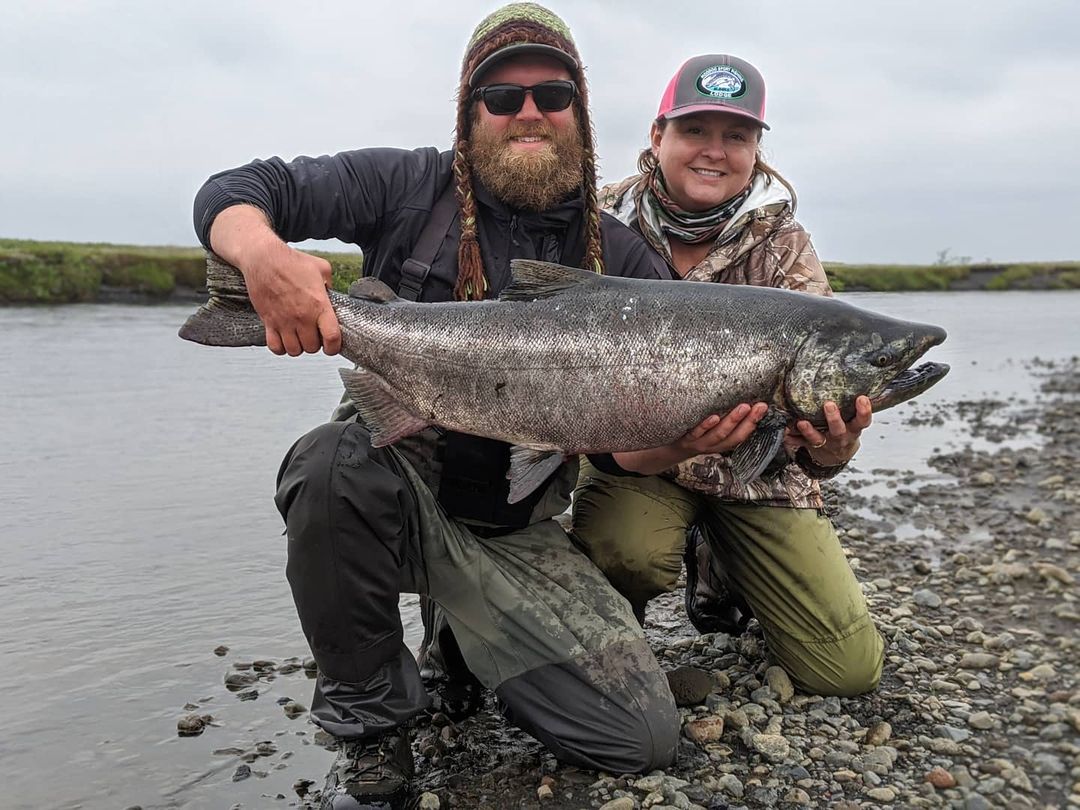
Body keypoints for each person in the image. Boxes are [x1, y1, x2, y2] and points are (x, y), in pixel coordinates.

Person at [192, 5, 679, 808]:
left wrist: (687, 434)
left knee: (639, 739)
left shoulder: (622, 258)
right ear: (469, 112)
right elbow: (240, 190)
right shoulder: (404, 186)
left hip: (517, 529)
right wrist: (261, 258)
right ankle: (374, 733)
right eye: (502, 96)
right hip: (396, 484)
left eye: (553, 94)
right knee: (327, 465)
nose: (529, 112)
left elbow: (631, 458)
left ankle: (459, 638)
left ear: (580, 116)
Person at [573, 54, 885, 700]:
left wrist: (834, 450)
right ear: (658, 137)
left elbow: (817, 426)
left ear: (756, 149)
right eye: (695, 131)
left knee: (847, 672)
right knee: (624, 550)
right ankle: (614, 621)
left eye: (736, 136)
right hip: (642, 464)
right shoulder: (595, 226)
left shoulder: (785, 248)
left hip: (756, 476)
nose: (714, 151)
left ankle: (722, 564)